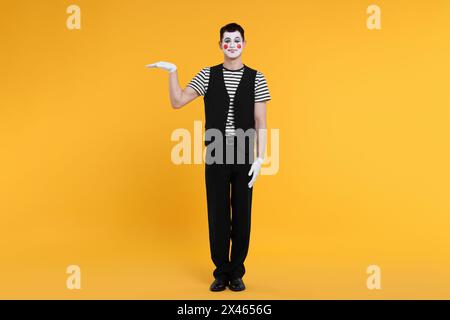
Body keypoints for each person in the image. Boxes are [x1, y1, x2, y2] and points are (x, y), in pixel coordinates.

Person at [147, 22, 271, 292]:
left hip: (244, 152)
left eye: (237, 40)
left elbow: (261, 122)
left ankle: (236, 272)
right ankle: (221, 272)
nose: (232, 45)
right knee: (217, 214)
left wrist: (260, 159)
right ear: (220, 45)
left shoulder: (257, 78)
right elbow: (178, 101)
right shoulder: (207, 75)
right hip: (216, 152)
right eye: (227, 41)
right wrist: (173, 72)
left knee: (241, 214)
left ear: (245, 44)